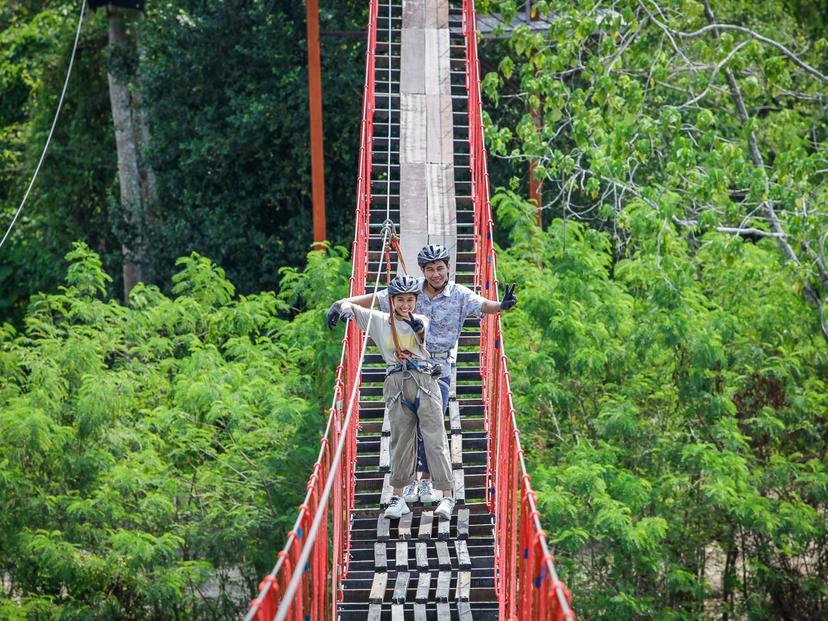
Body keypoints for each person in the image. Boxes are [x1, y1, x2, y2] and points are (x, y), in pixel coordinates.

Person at [328, 244, 517, 505]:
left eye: (440, 268)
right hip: (405, 368)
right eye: (430, 269)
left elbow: (484, 305)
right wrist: (343, 302)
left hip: (438, 368)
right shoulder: (411, 291)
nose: (436, 274)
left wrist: (502, 305)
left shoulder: (459, 294)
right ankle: (407, 486)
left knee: (433, 424)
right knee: (406, 428)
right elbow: (379, 298)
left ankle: (426, 480)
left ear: (448, 268)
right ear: (423, 271)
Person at [335, 274, 457, 520]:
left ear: (416, 301)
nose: (405, 305)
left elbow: (421, 332)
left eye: (410, 300)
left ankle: (446, 496)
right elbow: (348, 304)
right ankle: (398, 497)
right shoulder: (379, 320)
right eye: (400, 300)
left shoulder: (420, 319)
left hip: (424, 381)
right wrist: (340, 309)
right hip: (396, 383)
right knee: (400, 441)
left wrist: (418, 329)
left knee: (435, 438)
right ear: (390, 301)